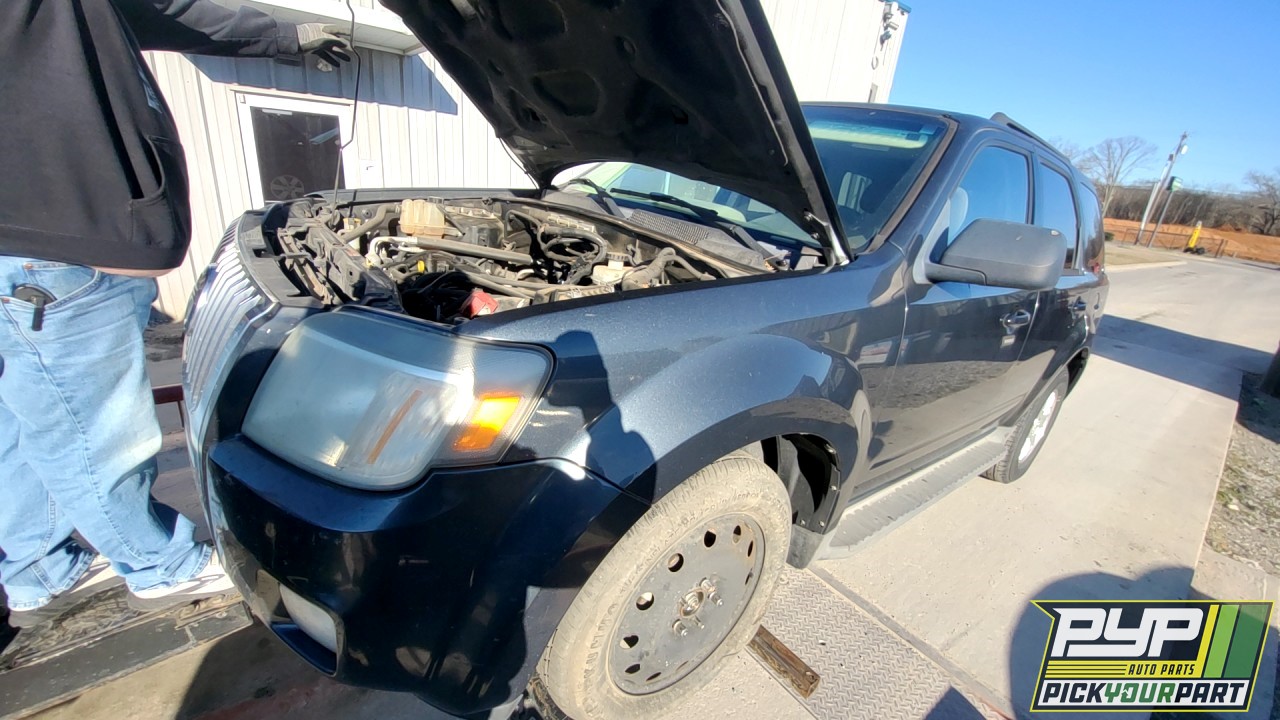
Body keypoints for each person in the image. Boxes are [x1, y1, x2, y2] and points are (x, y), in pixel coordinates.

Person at [0, 0, 351, 628]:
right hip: (57, 243)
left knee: (29, 420)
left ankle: (36, 567)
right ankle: (159, 564)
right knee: (91, 429)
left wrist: (284, 35)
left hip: (31, 248)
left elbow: (162, 11)